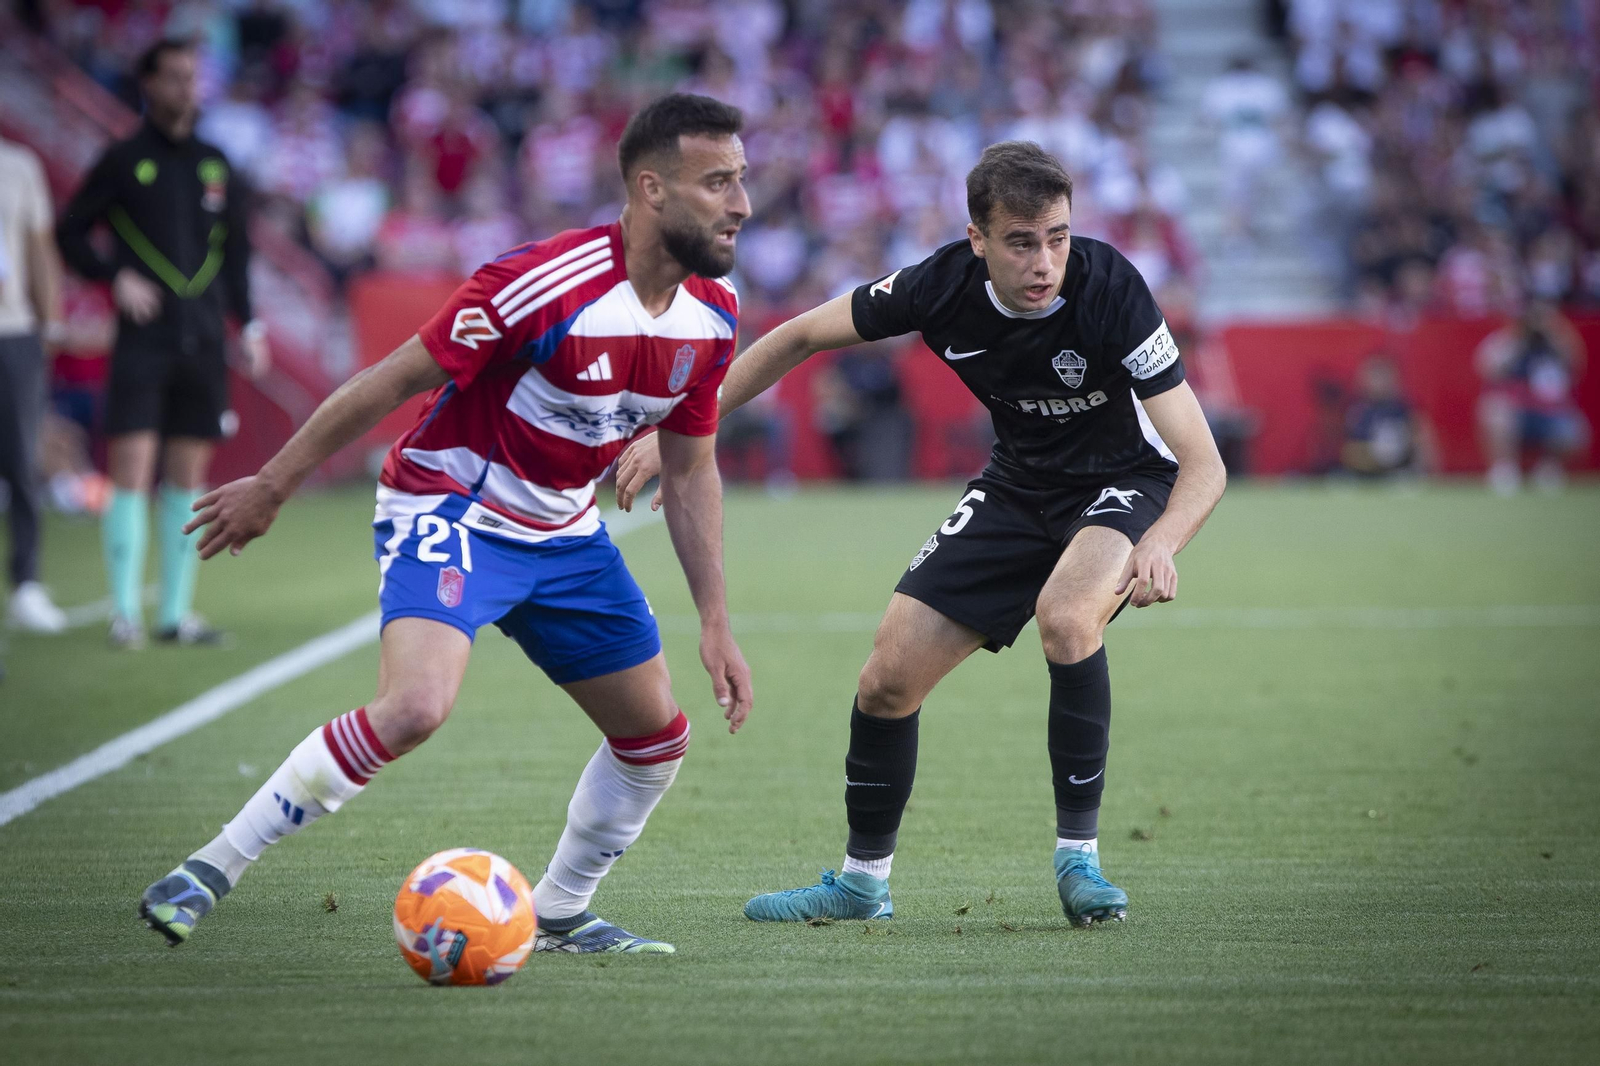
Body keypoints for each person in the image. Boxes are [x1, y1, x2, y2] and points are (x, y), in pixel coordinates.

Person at [136, 93, 754, 956]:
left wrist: (717, 621)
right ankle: (210, 867)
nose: (742, 205)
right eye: (718, 182)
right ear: (651, 189)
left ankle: (563, 910)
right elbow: (392, 381)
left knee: (656, 741)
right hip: (452, 506)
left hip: (565, 534)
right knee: (416, 706)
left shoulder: (714, 316)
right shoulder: (541, 285)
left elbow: (689, 472)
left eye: (741, 181)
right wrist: (274, 485)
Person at [615, 141, 1227, 926]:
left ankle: (1080, 860)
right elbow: (796, 337)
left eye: (1057, 237)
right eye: (1020, 241)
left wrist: (1162, 542)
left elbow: (1201, 463)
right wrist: (676, 433)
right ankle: (862, 883)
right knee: (886, 677)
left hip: (1124, 483)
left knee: (1069, 617)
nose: (1045, 262)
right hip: (1017, 489)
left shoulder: (1110, 286)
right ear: (977, 240)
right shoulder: (938, 288)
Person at [55, 38, 269, 649]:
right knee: (130, 471)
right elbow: (69, 231)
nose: (185, 89)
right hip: (142, 343)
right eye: (174, 77)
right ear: (148, 84)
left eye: (192, 78)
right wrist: (111, 278)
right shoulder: (122, 160)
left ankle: (175, 616)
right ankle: (125, 613)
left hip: (203, 341)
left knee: (187, 475)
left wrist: (248, 326)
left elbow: (238, 257)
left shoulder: (216, 163)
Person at [0, 134, 68, 633]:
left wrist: (51, 322)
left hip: (13, 328)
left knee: (21, 459)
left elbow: (38, 245)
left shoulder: (18, 164)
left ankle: (27, 583)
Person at [1476, 299, 1589, 494]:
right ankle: (1505, 470)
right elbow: (1488, 368)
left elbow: (1576, 364)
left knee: (1576, 429)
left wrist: (1553, 330)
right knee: (1494, 409)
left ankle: (1548, 469)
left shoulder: (1556, 342)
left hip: (1550, 411)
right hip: (1516, 411)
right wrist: (1519, 338)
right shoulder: (1509, 339)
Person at [1340, 355, 1436, 478]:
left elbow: (1425, 443)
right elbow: (1348, 451)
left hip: (1400, 472)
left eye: (1382, 375)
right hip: (1365, 472)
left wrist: (1428, 473)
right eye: (1374, 375)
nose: (1378, 381)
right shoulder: (1356, 410)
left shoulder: (1405, 408)